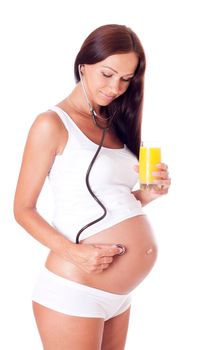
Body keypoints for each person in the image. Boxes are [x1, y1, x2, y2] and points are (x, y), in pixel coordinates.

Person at [13, 24, 171, 350]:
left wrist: (147, 195)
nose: (116, 87)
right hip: (75, 290)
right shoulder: (52, 123)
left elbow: (107, 200)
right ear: (83, 65)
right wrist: (74, 253)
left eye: (126, 79)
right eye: (108, 74)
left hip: (119, 296)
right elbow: (22, 209)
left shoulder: (113, 124)